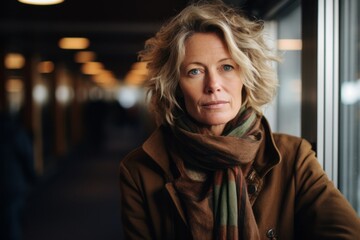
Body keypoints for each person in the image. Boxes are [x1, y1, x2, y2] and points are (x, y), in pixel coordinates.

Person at [119, 1, 360, 239]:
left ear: (247, 74)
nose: (213, 85)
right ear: (176, 86)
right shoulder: (139, 170)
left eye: (227, 67)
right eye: (195, 71)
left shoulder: (294, 157)